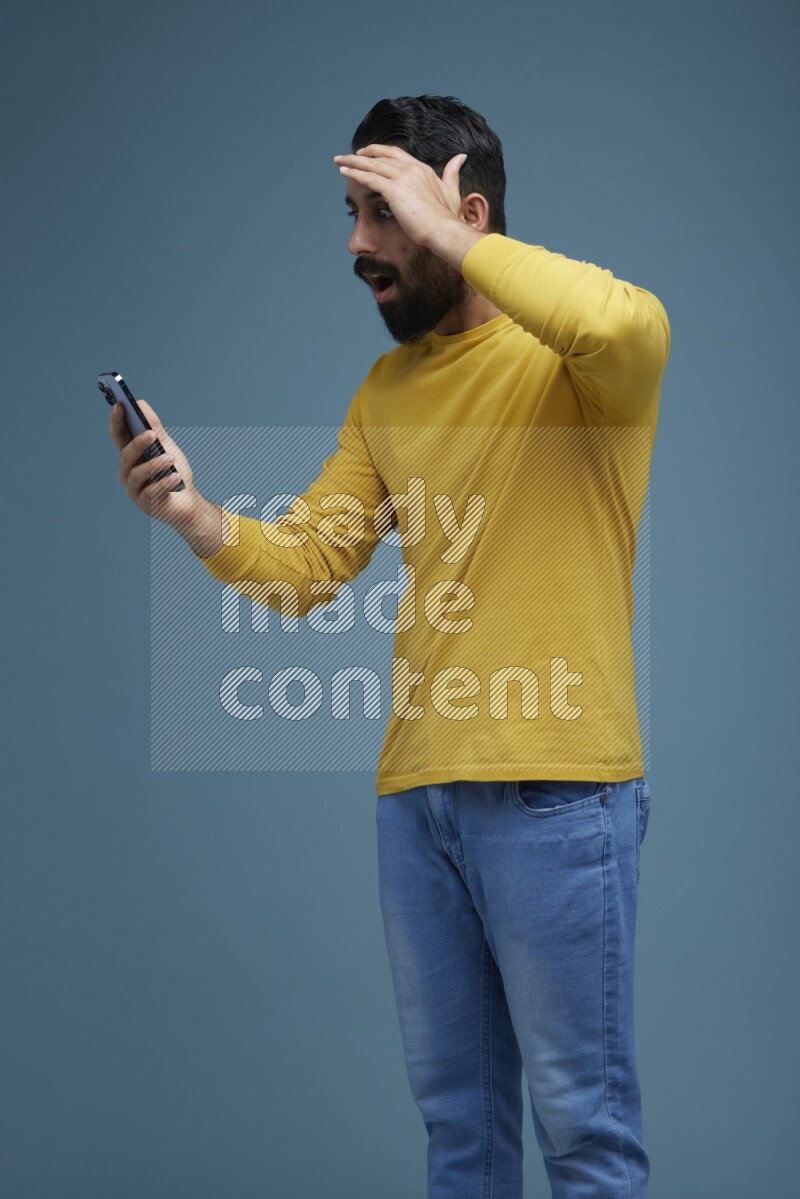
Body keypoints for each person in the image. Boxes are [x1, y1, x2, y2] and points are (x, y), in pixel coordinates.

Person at [110, 94, 669, 1199]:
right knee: (458, 1133)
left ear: (464, 212)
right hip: (418, 803)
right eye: (350, 212)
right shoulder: (387, 390)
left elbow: (626, 324)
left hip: (555, 790)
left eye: (384, 213)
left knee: (585, 1134)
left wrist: (459, 234)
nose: (357, 244)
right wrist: (194, 516)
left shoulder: (576, 368)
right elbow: (312, 565)